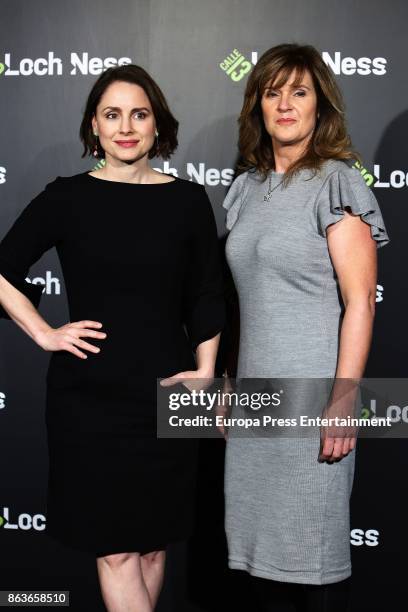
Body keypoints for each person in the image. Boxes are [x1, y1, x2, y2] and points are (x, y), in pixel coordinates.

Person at [0, 64, 225, 612]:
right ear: (94, 127)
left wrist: (205, 372)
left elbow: (207, 295)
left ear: (157, 125)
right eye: (112, 114)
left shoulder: (188, 201)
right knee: (117, 551)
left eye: (139, 113)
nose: (126, 126)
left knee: (151, 547)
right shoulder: (66, 198)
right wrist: (45, 333)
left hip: (169, 394)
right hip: (90, 402)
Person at [221, 43, 389, 612]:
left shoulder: (336, 181)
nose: (286, 105)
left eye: (300, 92)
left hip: (313, 406)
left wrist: (344, 398)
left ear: (321, 106)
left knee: (308, 584)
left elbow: (361, 299)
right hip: (253, 406)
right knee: (259, 582)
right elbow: (240, 302)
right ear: (257, 105)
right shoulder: (244, 189)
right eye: (273, 93)